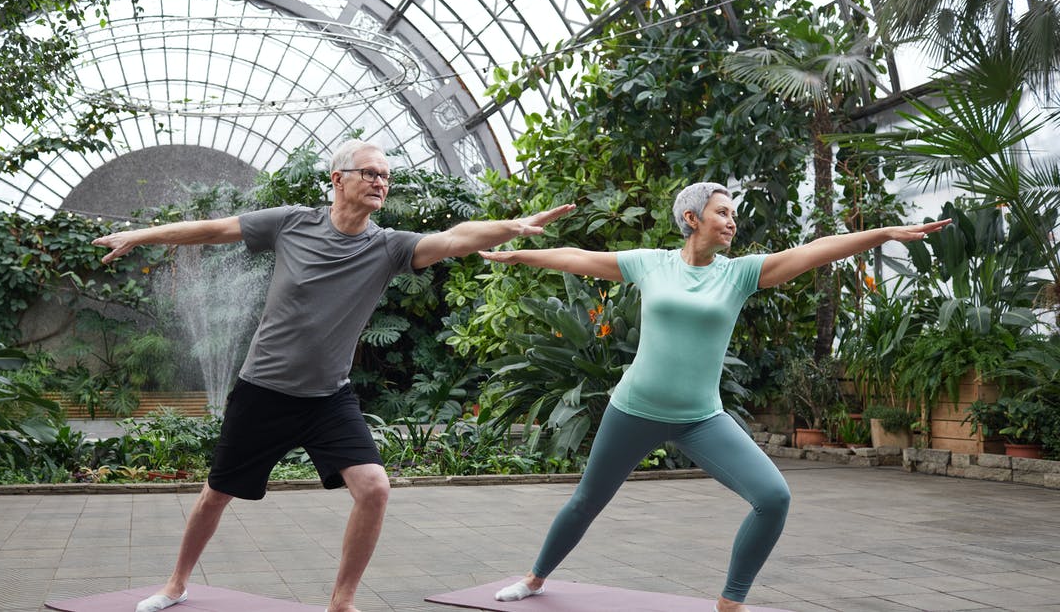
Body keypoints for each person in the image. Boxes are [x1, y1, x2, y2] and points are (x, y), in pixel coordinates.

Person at [92, 139, 574, 612]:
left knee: (375, 488)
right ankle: (176, 584)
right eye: (370, 173)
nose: (380, 182)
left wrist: (511, 226)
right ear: (337, 179)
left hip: (328, 397)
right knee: (217, 494)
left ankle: (341, 603)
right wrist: (141, 235)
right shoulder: (291, 223)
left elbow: (454, 238)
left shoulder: (388, 248)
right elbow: (213, 230)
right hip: (263, 391)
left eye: (385, 176)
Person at [480, 182, 951, 612]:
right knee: (587, 500)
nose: (732, 221)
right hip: (633, 410)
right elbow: (577, 257)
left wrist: (882, 233)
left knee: (773, 497)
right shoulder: (650, 264)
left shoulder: (739, 275)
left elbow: (815, 251)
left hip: (700, 419)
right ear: (691, 218)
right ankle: (535, 578)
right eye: (722, 212)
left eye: (733, 214)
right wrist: (519, 256)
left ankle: (731, 602)